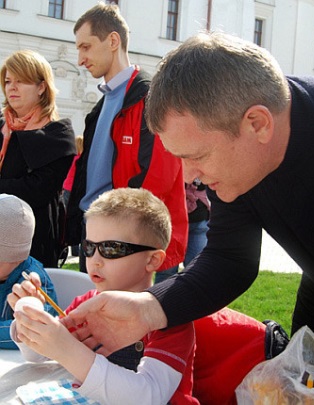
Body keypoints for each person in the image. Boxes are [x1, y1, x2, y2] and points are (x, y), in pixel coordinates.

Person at [62, 31, 314, 395]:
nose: (190, 177)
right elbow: (230, 260)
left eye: (196, 156)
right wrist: (147, 309)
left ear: (257, 123)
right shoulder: (240, 154)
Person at [8, 187, 198, 404]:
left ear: (152, 260)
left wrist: (67, 349)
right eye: (89, 247)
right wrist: (29, 316)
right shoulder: (88, 302)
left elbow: (149, 397)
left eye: (111, 249)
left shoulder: (168, 321)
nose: (94, 260)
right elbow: (39, 356)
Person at [65, 2, 187, 273]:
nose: (80, 59)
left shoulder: (149, 96)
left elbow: (159, 176)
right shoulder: (102, 104)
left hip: (126, 237)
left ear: (112, 40)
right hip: (97, 233)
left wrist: (123, 230)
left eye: (86, 47)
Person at [0, 50, 76, 267]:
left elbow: (36, 190)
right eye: (7, 81)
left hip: (34, 240)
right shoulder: (1, 126)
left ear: (41, 87)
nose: (11, 87)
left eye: (21, 81)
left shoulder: (58, 134)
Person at [0, 194, 58, 349]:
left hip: (25, 365)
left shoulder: (33, 281)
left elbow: (40, 328)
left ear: (18, 258)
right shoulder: (7, 266)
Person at [155, 178, 210, 283]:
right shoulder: (172, 162)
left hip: (198, 221)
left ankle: (192, 299)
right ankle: (163, 299)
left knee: (197, 270)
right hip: (174, 223)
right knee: (168, 271)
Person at [62, 135, 83, 257]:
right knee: (77, 218)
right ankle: (76, 250)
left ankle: (72, 248)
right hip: (77, 191)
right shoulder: (81, 160)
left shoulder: (72, 159)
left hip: (67, 189)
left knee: (67, 218)